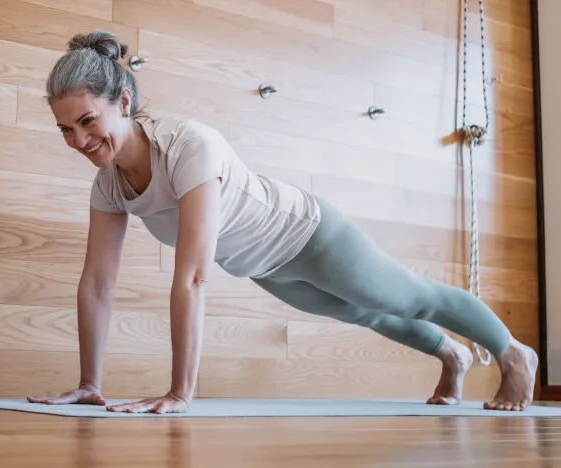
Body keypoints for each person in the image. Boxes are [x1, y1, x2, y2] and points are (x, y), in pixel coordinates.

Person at [27, 31, 538, 414]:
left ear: (123, 102)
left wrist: (181, 392)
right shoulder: (110, 186)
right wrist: (89, 384)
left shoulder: (187, 146)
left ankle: (513, 354)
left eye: (87, 121)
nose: (78, 141)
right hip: (265, 265)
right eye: (65, 130)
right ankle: (451, 354)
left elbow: (194, 277)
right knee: (366, 315)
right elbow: (96, 285)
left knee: (407, 298)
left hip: (310, 234)